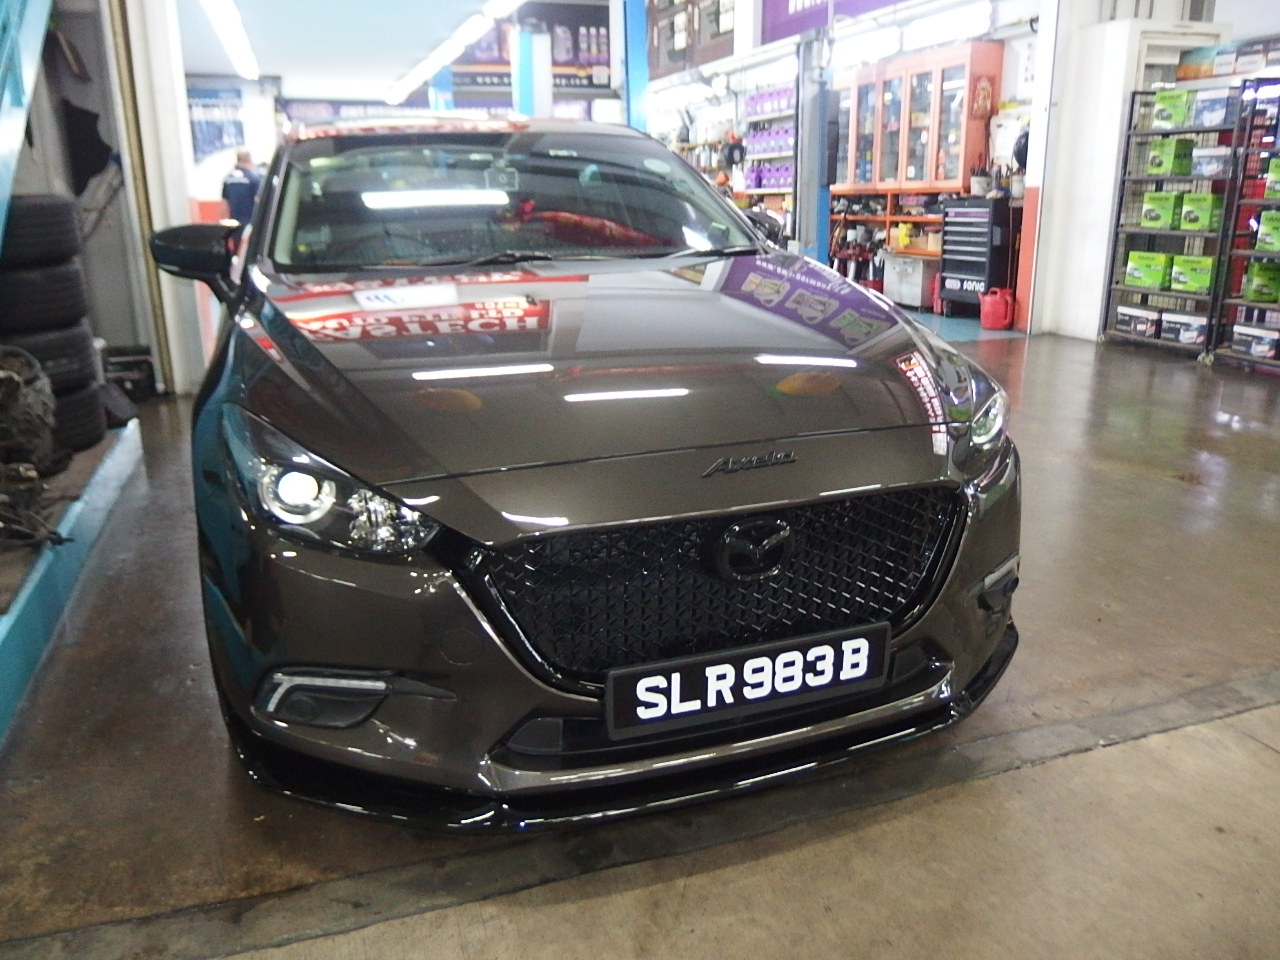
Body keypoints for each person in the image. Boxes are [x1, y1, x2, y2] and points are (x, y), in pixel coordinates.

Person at [221, 148, 262, 229]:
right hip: (249, 224)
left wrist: (223, 224)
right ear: (248, 161)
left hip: (233, 225)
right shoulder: (253, 179)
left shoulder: (227, 179)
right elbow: (257, 201)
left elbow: (224, 204)